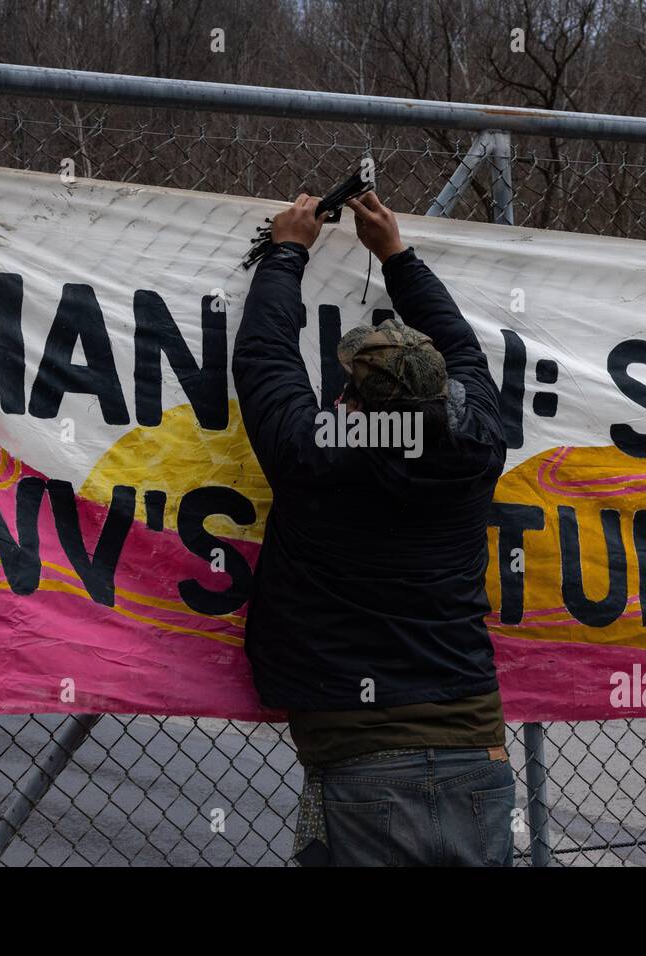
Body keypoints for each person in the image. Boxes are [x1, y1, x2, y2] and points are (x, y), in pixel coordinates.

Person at [232, 190, 512, 866]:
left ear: (349, 403)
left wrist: (286, 252)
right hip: (477, 740)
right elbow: (464, 355)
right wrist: (397, 256)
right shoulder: (477, 445)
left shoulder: (314, 453)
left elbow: (266, 359)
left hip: (354, 747)